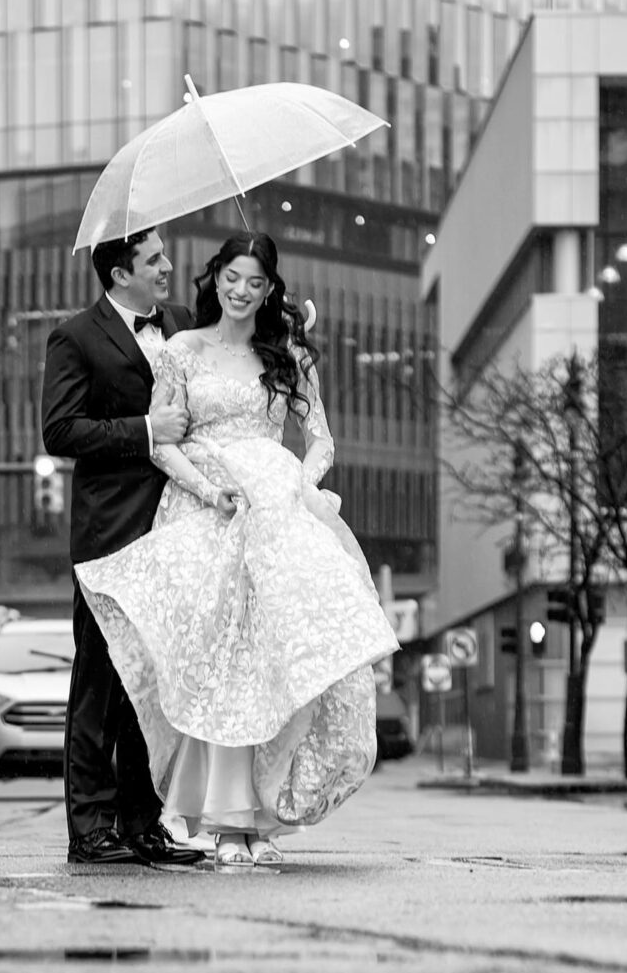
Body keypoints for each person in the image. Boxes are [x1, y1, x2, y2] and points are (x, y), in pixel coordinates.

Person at [73, 232, 400, 867]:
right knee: (222, 665)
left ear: (270, 288)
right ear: (215, 277)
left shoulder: (289, 355)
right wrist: (208, 487)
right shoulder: (180, 350)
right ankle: (225, 820)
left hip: (276, 515)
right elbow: (163, 441)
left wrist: (298, 485)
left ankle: (263, 815)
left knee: (275, 661)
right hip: (207, 512)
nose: (242, 291)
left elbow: (321, 439)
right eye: (232, 277)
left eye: (256, 281)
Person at [39, 229, 206, 866]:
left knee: (153, 688)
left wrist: (290, 314)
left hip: (175, 530)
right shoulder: (75, 337)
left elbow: (233, 338)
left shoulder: (183, 324)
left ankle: (143, 823)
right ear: (118, 274)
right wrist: (144, 430)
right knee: (101, 686)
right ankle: (89, 829)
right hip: (109, 535)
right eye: (154, 259)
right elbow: (60, 428)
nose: (168, 266)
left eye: (164, 255)